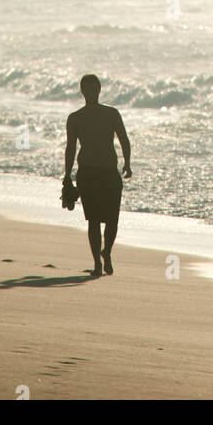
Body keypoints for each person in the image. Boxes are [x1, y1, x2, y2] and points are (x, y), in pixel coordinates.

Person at [64, 74, 131, 276]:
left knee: (112, 220)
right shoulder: (75, 118)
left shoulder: (111, 114)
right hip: (87, 174)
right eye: (87, 90)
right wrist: (67, 175)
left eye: (94, 89)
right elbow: (70, 148)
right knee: (93, 220)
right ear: (82, 91)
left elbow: (124, 139)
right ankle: (96, 264)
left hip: (110, 172)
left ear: (99, 90)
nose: (91, 93)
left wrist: (128, 163)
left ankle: (107, 252)